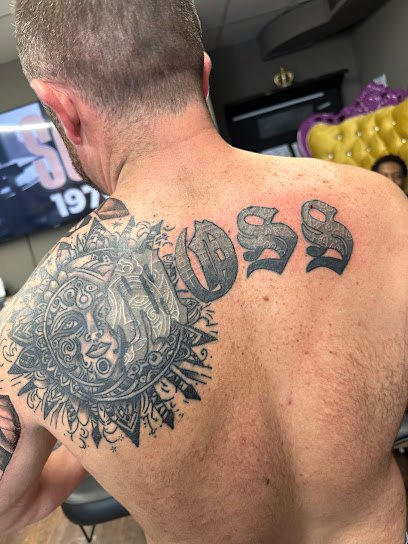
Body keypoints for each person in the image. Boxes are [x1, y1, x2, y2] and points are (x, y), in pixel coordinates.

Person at [0, 1, 407, 543]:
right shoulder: (381, 209)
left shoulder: (28, 331)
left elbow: (9, 507)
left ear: (62, 109)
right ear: (204, 75)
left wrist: (93, 420)